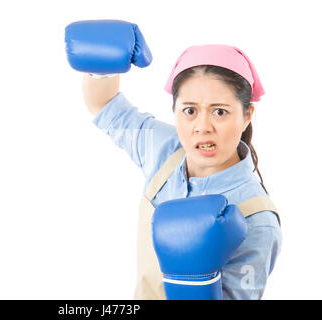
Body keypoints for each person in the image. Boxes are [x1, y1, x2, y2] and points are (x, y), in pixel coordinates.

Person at [65, 20, 281, 300]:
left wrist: (194, 285)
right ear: (175, 110)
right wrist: (101, 69)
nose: (202, 126)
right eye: (190, 110)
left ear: (247, 114)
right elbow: (106, 107)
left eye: (220, 112)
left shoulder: (258, 219)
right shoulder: (164, 149)